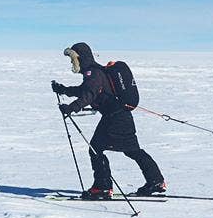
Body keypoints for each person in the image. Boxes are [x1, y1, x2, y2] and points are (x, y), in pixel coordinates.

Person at [52, 42, 166, 199]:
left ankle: (102, 188)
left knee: (95, 149)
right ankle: (156, 181)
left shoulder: (93, 73)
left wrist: (71, 108)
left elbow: (89, 94)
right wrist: (64, 90)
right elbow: (85, 90)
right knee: (133, 151)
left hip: (114, 118)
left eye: (73, 58)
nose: (72, 62)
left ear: (80, 57)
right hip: (122, 116)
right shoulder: (95, 72)